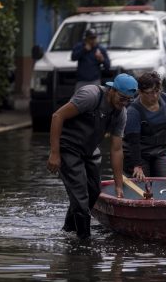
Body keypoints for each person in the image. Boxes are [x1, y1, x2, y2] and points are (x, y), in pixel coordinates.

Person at [46, 73, 138, 239]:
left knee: (94, 191)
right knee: (80, 197)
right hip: (68, 147)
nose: (124, 103)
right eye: (122, 98)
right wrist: (54, 153)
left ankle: (68, 231)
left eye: (128, 101)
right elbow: (57, 116)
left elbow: (117, 150)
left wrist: (119, 184)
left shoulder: (120, 114)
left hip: (89, 150)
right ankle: (84, 242)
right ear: (112, 90)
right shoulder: (90, 95)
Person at [123, 71, 166, 181]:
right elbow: (133, 142)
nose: (154, 96)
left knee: (164, 181)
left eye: (156, 91)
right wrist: (137, 165)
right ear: (140, 92)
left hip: (161, 151)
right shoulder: (133, 111)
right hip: (139, 154)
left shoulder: (165, 99)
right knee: (145, 182)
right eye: (149, 93)